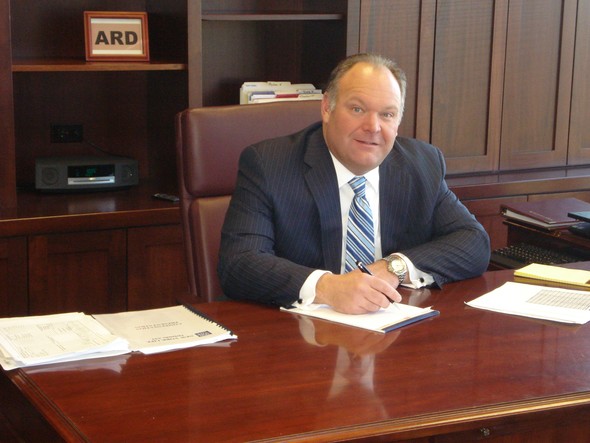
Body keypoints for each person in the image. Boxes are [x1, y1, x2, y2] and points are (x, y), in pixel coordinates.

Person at [218, 53, 490, 314]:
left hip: (393, 333)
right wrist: (328, 287)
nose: (372, 126)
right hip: (301, 335)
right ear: (327, 107)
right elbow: (239, 262)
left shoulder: (421, 164)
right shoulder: (270, 164)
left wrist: (395, 266)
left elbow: (474, 242)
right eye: (357, 109)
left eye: (387, 114)